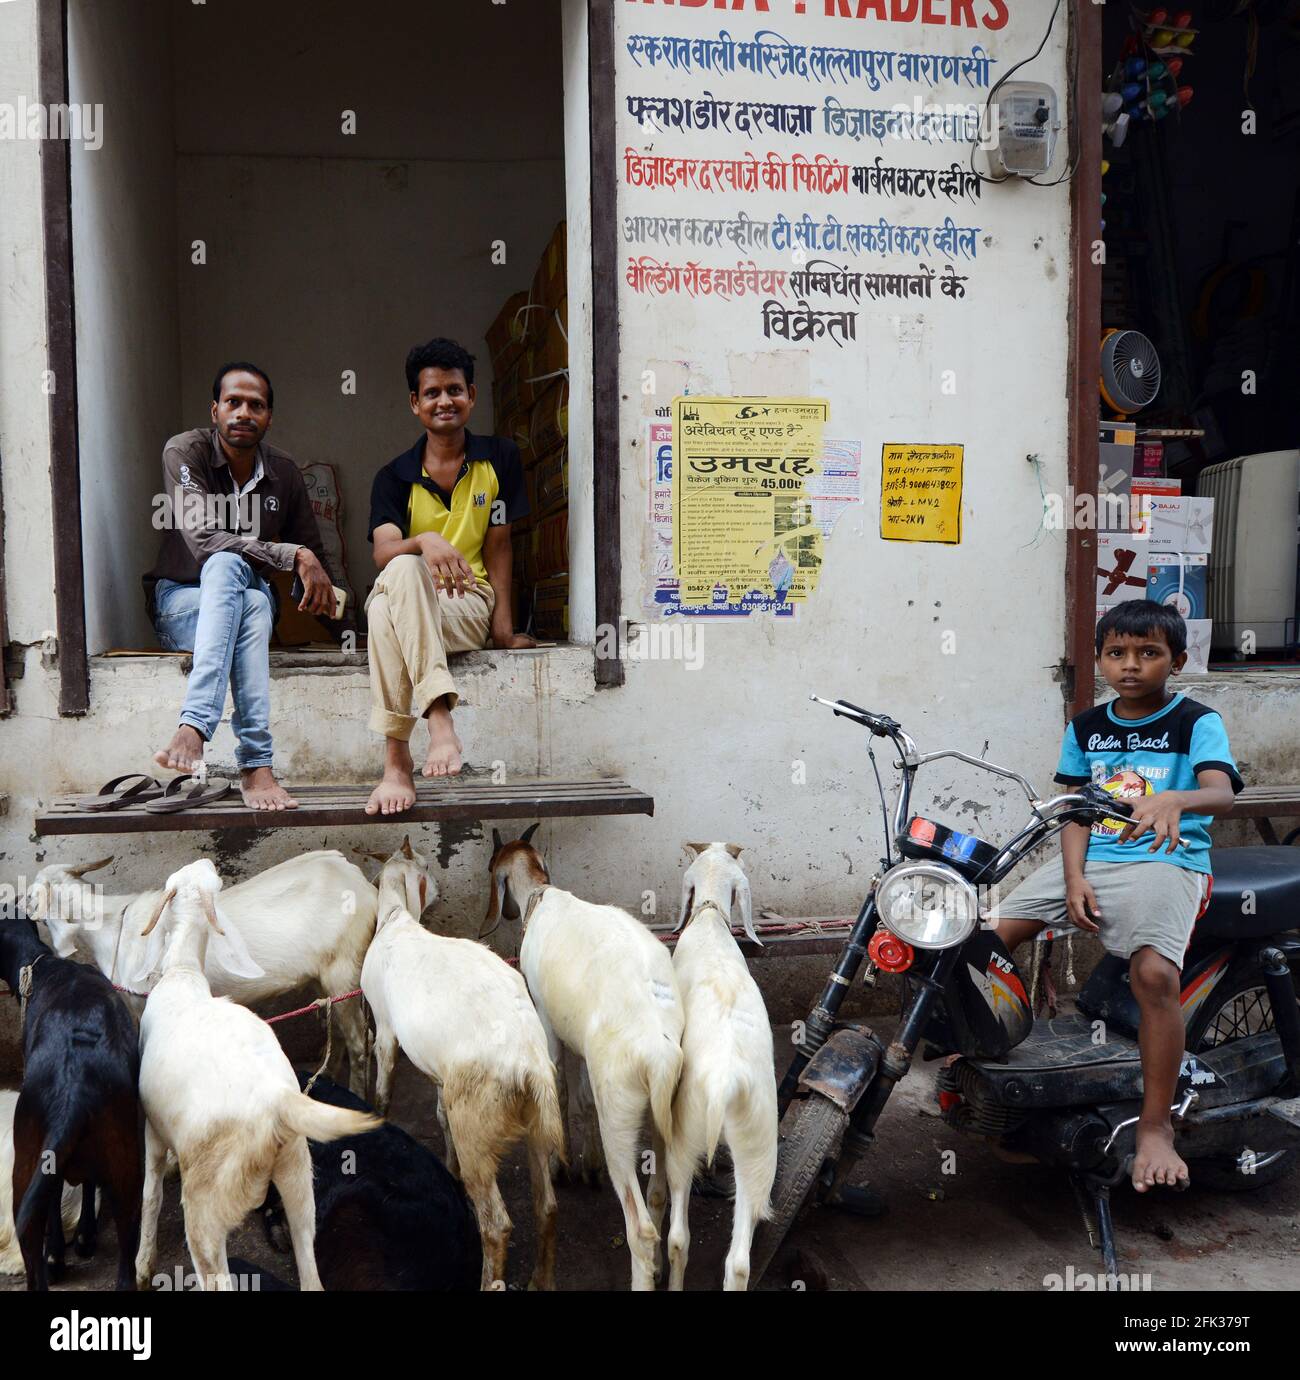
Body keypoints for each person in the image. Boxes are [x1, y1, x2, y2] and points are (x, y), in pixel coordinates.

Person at [988, 600, 1241, 1192]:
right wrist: (1073, 877)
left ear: (1176, 661)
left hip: (1166, 860)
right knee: (986, 942)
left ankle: (1155, 1126)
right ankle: (983, 1060)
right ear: (1100, 659)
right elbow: (1076, 812)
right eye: (1117, 653)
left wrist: (1176, 800)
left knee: (1153, 977)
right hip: (1093, 858)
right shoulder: (1085, 727)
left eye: (1149, 653)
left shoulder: (1196, 721)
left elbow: (1222, 794)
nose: (1132, 666)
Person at [144, 363, 337, 810]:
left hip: (250, 604)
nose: (243, 412)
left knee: (250, 599)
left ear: (269, 417)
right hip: (182, 602)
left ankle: (194, 727)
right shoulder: (184, 452)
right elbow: (205, 540)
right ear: (215, 410)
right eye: (233, 402)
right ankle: (256, 766)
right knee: (229, 570)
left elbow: (316, 557)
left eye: (256, 405)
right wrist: (289, 556)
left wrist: (340, 619)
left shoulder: (284, 472)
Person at [364, 337, 535, 815]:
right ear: (415, 403)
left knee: (382, 612)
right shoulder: (393, 477)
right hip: (411, 597)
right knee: (393, 585)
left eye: (454, 390)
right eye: (433, 392)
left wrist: (502, 630)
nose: (445, 401)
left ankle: (397, 764)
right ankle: (440, 721)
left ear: (472, 396)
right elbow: (383, 552)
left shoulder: (499, 458)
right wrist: (423, 541)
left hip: (466, 604)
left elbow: (500, 546)